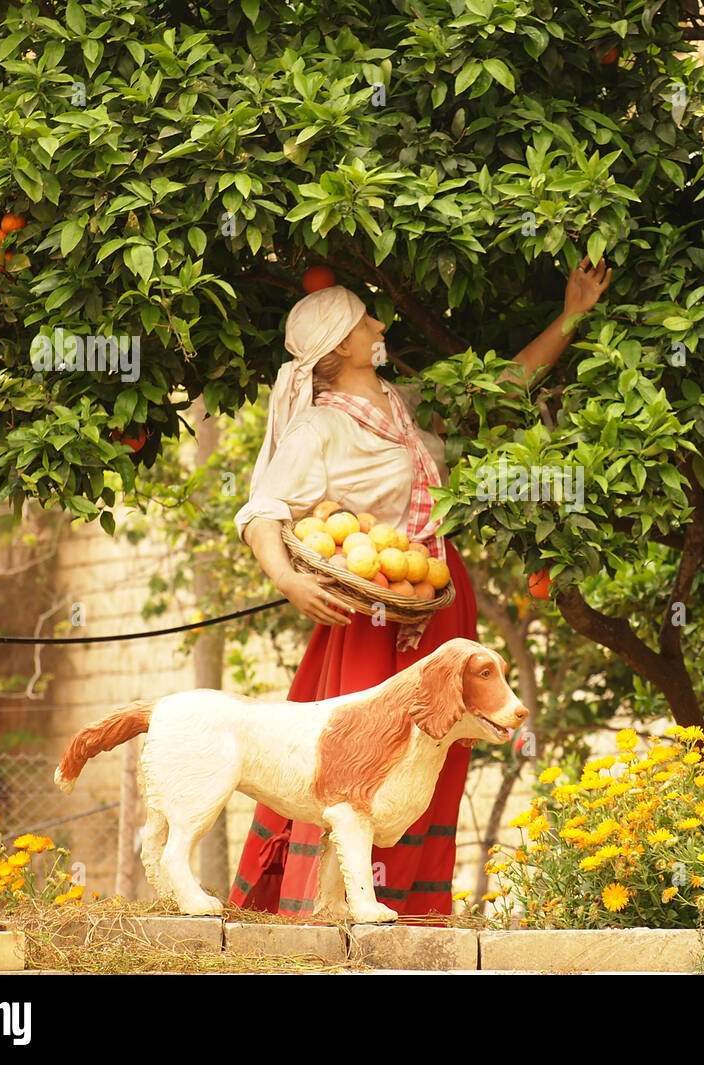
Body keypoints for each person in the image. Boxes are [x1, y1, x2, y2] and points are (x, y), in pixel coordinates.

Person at [229, 256, 612, 918]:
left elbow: (500, 387)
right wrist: (289, 580)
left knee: (431, 753)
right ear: (343, 342)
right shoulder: (320, 426)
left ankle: (412, 907)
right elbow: (263, 511)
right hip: (373, 608)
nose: (380, 322)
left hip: (435, 597)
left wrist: (573, 312)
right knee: (364, 755)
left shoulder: (401, 404)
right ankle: (328, 908)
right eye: (364, 317)